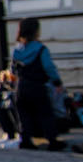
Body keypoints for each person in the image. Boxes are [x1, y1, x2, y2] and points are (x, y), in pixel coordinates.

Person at [10, 18, 65, 151]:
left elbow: (12, 70)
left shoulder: (17, 51)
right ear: (36, 32)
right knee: (45, 113)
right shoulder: (41, 49)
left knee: (24, 115)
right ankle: (52, 140)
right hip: (38, 86)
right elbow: (49, 67)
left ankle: (26, 140)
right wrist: (57, 82)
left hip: (21, 87)